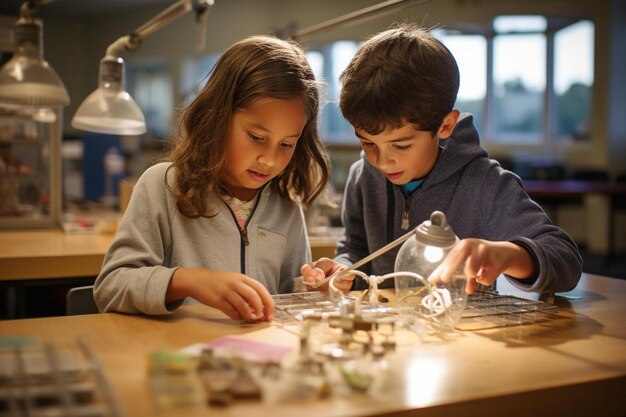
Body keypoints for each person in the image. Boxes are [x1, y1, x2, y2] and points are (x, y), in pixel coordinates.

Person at [301, 24, 582, 295]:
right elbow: (355, 248)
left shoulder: (485, 185)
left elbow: (565, 259)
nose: (383, 162)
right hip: (387, 331)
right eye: (367, 143)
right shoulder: (364, 175)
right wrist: (346, 270)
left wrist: (509, 255)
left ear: (445, 126)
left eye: (400, 145)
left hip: (461, 335)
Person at [94, 35, 329, 322]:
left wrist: (315, 286)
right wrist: (187, 281)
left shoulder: (287, 207)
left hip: (258, 359)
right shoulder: (162, 186)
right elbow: (111, 286)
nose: (269, 160)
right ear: (217, 118)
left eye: (286, 144)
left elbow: (289, 298)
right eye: (256, 138)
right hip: (179, 358)